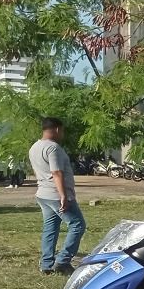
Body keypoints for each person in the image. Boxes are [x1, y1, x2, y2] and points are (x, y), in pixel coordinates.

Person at [28, 117, 87, 275]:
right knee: (77, 225)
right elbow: (56, 172)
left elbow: (37, 171)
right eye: (62, 130)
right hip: (56, 195)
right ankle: (62, 261)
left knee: (50, 228)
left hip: (43, 194)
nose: (63, 134)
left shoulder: (34, 147)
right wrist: (63, 195)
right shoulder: (53, 148)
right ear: (57, 129)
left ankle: (46, 264)